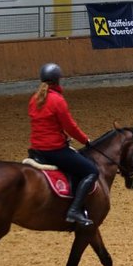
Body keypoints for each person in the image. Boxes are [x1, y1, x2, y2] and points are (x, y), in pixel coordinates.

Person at [28, 63, 98, 226]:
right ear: (57, 80)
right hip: (53, 150)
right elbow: (70, 126)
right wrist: (85, 140)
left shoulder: (34, 99)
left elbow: (45, 124)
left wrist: (62, 136)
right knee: (91, 171)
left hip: (37, 149)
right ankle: (74, 210)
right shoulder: (57, 100)